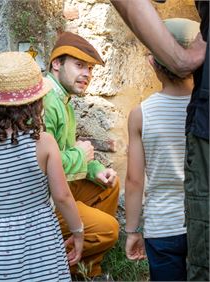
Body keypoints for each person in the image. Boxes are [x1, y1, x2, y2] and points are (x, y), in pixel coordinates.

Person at [0, 51, 84, 282]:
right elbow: (63, 197)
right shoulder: (44, 143)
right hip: (42, 241)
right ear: (36, 101)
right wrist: (78, 232)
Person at [110, 0, 209, 280]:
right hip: (201, 225)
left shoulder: (141, 114)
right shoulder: (204, 111)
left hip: (162, 228)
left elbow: (134, 180)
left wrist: (132, 231)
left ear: (153, 62)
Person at [43, 31, 120, 278]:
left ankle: (88, 269)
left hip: (62, 186)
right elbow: (44, 165)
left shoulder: (63, 99)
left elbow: (66, 153)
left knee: (109, 185)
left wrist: (96, 169)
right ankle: (64, 267)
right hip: (46, 200)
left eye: (90, 69)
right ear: (57, 63)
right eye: (79, 65)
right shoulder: (45, 100)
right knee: (109, 230)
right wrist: (80, 152)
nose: (87, 74)